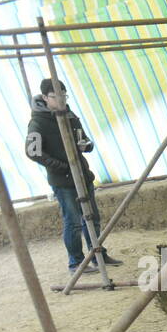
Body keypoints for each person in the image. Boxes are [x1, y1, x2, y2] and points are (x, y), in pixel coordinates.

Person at [25, 78, 123, 274]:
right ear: (45, 97)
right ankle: (76, 262)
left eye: (64, 95)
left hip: (82, 175)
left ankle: (98, 254)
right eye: (56, 96)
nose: (61, 99)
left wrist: (86, 145)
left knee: (92, 218)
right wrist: (60, 166)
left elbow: (83, 140)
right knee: (74, 221)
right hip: (63, 181)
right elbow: (32, 151)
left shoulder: (70, 115)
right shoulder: (37, 122)